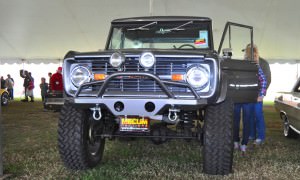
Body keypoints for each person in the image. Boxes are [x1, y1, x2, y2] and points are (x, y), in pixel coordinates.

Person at [244, 44, 269, 145]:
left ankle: (261, 137)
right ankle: (251, 135)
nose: (252, 55)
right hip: (248, 94)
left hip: (258, 94)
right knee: (249, 115)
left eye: (254, 54)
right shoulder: (244, 64)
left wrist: (262, 94)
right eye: (249, 53)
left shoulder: (260, 65)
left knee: (258, 115)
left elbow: (264, 80)